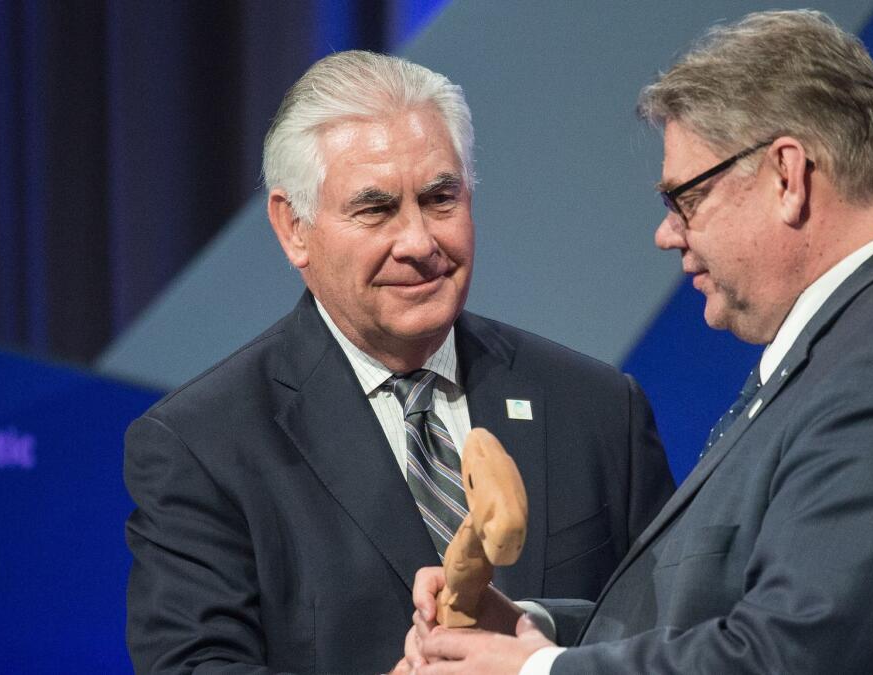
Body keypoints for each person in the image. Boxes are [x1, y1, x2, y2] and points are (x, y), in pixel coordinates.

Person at [404, 10, 873, 674]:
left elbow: (789, 656)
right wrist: (533, 634)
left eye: (685, 199)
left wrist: (536, 673)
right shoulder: (871, 334)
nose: (668, 234)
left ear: (787, 176)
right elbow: (728, 614)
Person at [123, 51, 674, 674]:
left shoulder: (597, 408)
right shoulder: (202, 446)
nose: (418, 242)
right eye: (376, 208)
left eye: (441, 198)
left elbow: (679, 632)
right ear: (293, 228)